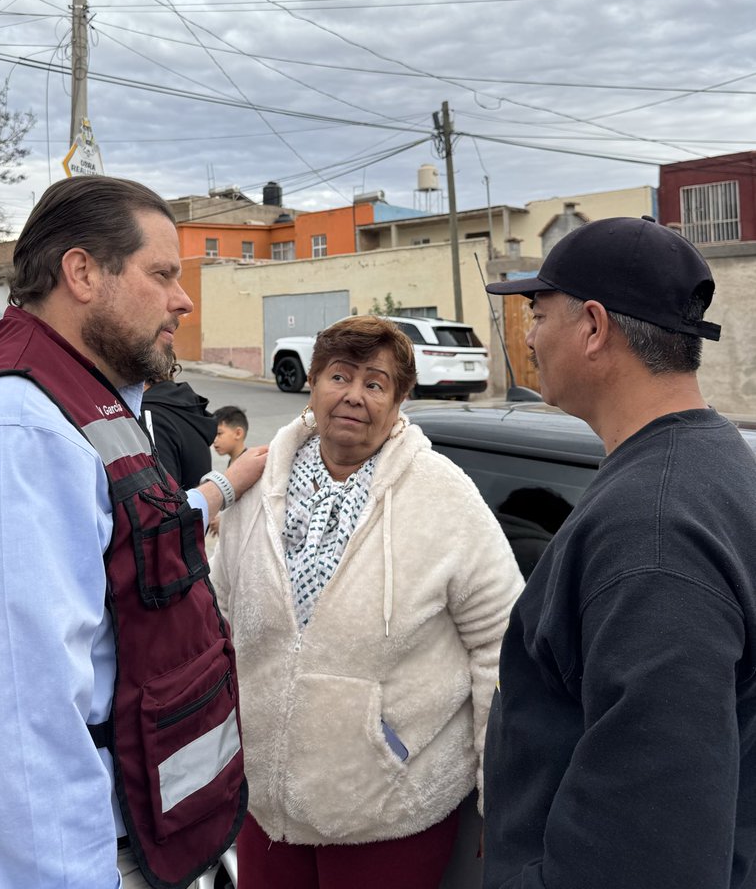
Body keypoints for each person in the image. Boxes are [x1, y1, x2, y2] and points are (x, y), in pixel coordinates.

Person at [0, 176, 267, 889]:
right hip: (65, 859)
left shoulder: (83, 403)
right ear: (83, 272)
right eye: (162, 276)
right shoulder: (9, 435)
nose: (182, 301)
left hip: (134, 836)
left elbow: (133, 541)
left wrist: (219, 488)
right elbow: (15, 745)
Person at [482, 215, 756, 889]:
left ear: (595, 327)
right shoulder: (715, 462)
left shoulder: (655, 534)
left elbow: (650, 856)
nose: (530, 335)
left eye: (538, 313)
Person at [210, 315, 524, 889]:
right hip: (265, 804)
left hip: (388, 809)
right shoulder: (257, 487)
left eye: (375, 383)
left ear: (400, 399)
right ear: (313, 383)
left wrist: (497, 786)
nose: (354, 395)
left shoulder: (443, 494)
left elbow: (502, 644)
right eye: (340, 376)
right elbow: (221, 620)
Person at [141, 363, 217, 490]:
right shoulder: (182, 406)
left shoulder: (150, 414)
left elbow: (162, 495)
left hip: (182, 507)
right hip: (199, 506)